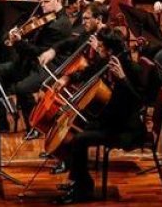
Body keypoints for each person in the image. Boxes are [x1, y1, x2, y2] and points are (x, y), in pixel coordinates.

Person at [51, 30, 146, 204]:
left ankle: (83, 189)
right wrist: (67, 78)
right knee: (74, 132)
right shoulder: (106, 62)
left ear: (109, 50)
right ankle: (79, 181)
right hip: (110, 119)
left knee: (78, 139)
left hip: (125, 128)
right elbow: (87, 73)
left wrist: (123, 79)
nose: (97, 48)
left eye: (100, 46)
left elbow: (140, 102)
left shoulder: (132, 68)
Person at [0, 0, 74, 137]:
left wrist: (19, 43)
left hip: (50, 66)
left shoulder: (60, 25)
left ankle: (35, 126)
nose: (42, 5)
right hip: (33, 62)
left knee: (21, 88)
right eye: (42, 1)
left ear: (58, 1)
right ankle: (1, 122)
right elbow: (33, 43)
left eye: (46, 1)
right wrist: (19, 31)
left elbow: (39, 52)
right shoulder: (47, 18)